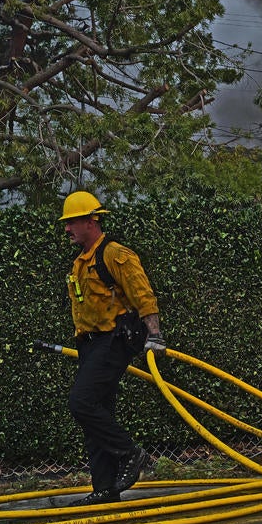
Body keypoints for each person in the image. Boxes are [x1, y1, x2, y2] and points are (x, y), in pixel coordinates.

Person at [59, 191, 166, 506]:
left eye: (72, 222)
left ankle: (130, 453)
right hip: (89, 345)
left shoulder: (115, 254)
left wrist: (155, 335)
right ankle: (105, 489)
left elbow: (143, 295)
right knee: (97, 412)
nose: (67, 229)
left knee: (81, 402)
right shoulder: (81, 261)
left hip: (113, 341)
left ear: (91, 221)